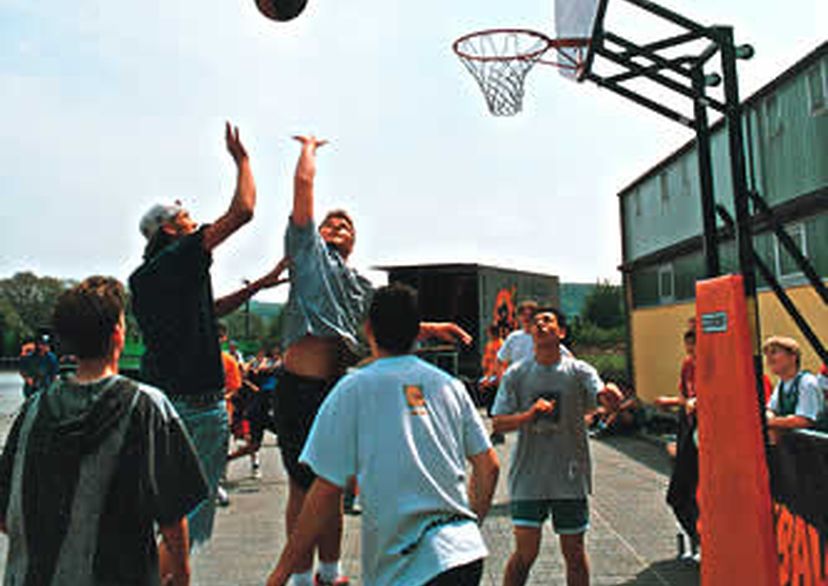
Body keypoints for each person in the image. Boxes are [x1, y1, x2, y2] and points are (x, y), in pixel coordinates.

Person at [275, 135, 472, 586]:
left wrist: (434, 327)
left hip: (334, 387)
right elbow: (303, 192)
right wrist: (308, 150)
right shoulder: (308, 256)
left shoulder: (358, 284)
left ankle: (331, 570)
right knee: (303, 487)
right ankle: (302, 577)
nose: (339, 225)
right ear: (317, 233)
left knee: (334, 484)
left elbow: (390, 320)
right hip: (299, 387)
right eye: (332, 222)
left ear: (356, 240)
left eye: (347, 224)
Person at [267, 284, 500, 586]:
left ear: (368, 330)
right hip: (464, 554)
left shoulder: (354, 389)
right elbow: (489, 466)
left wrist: (280, 574)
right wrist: (466, 526)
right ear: (418, 332)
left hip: (406, 564)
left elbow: (323, 491)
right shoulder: (449, 386)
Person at [129, 123, 290, 548]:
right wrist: (244, 161)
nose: (193, 219)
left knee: (158, 515)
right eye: (184, 217)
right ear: (169, 230)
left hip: (159, 401)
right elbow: (243, 212)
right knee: (190, 523)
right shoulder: (181, 257)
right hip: (196, 407)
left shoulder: (147, 276)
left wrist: (257, 286)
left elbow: (210, 310)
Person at [0, 276, 208, 586]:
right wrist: (181, 573)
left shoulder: (32, 411)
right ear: (117, 335)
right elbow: (172, 513)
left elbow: (5, 513)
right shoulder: (146, 406)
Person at [492, 307, 610, 586]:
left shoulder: (579, 371)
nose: (540, 325)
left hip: (569, 476)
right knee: (525, 553)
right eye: (535, 322)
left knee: (574, 552)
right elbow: (498, 424)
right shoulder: (517, 373)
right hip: (529, 477)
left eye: (548, 320)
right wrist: (529, 415)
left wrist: (611, 398)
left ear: (562, 332)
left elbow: (601, 396)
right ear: (530, 332)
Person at [655, 328, 699, 561]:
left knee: (687, 494)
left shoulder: (715, 365)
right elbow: (687, 401)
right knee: (679, 495)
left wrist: (674, 401)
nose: (692, 352)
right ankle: (697, 539)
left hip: (703, 437)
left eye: (695, 347)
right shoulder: (688, 365)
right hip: (690, 433)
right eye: (689, 347)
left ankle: (701, 542)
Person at [764, 336, 825, 441]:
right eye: (767, 354)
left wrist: (770, 422)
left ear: (793, 357)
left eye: (774, 352)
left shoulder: (807, 383)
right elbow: (770, 409)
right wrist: (770, 417)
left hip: (818, 449)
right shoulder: (781, 385)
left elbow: (804, 421)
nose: (769, 358)